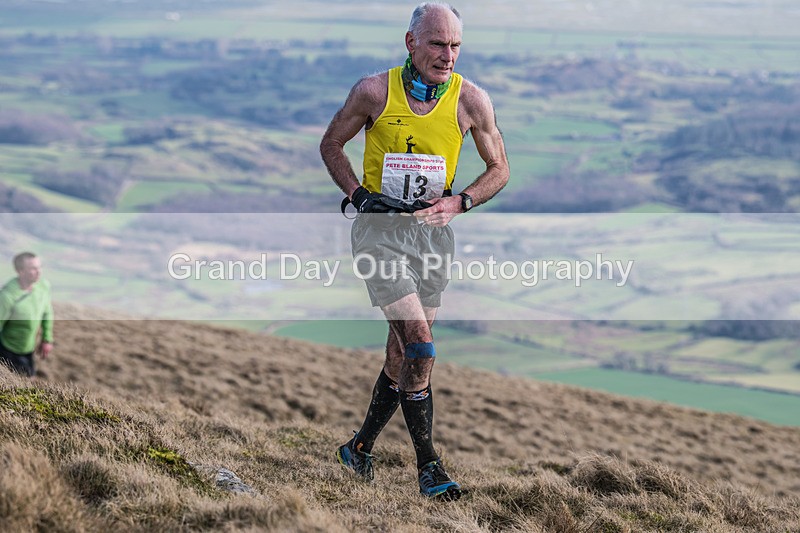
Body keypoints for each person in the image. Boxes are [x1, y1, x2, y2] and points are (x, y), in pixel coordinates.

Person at [320, 2, 509, 500]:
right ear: (411, 43)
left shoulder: (472, 100)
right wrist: (361, 196)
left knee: (402, 353)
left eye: (455, 46)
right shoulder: (374, 91)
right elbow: (331, 144)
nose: (447, 55)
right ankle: (429, 467)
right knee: (422, 346)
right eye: (436, 44)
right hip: (380, 235)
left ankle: (358, 449)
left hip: (432, 238)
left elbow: (500, 168)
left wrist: (461, 200)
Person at [0, 252, 54, 378]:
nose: (39, 272)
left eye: (39, 267)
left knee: (29, 382)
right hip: (7, 350)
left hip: (29, 350)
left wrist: (47, 338)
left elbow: (47, 312)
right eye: (33, 268)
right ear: (20, 271)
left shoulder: (43, 286)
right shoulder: (8, 296)